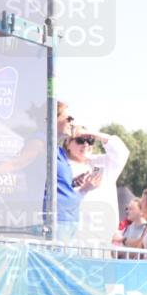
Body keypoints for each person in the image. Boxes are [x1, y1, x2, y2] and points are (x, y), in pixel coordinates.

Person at [52, 103, 99, 241]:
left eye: (90, 140)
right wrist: (84, 190)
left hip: (78, 228)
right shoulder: (47, 148)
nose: (86, 144)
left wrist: (72, 184)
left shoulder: (60, 155)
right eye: (80, 140)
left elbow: (120, 151)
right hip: (60, 224)